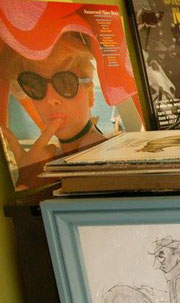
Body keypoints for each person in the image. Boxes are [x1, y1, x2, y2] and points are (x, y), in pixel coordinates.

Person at [1, 32, 107, 187]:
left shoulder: (100, 157)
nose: (50, 99)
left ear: (90, 94)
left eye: (66, 83)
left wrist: (27, 180)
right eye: (35, 85)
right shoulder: (54, 159)